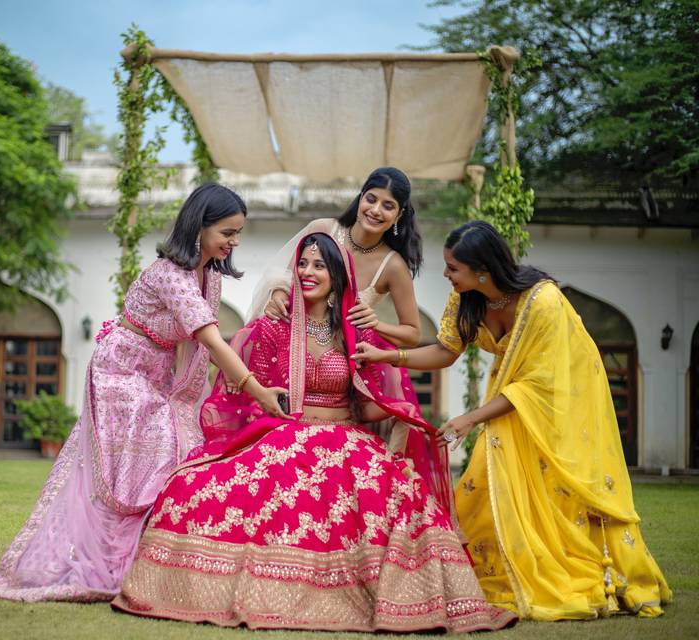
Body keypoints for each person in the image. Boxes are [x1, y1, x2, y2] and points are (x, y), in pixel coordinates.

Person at [111, 233, 517, 633]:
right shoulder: (274, 328)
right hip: (286, 435)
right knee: (193, 486)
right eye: (302, 263)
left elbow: (370, 401)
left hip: (348, 439)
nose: (307, 271)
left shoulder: (358, 333)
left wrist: (402, 412)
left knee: (397, 498)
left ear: (338, 276)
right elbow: (250, 391)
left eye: (319, 265)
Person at [0, 183, 289, 603]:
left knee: (175, 453)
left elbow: (204, 342)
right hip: (121, 371)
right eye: (228, 232)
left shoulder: (208, 276)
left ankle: (145, 564)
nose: (235, 242)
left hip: (155, 372)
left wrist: (246, 378)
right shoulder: (171, 275)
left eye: (239, 233)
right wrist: (255, 389)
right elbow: (209, 340)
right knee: (145, 462)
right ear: (200, 226)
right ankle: (109, 566)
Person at [353, 220, 672, 620]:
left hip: (559, 403)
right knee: (490, 476)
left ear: (482, 269)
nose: (446, 274)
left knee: (552, 487)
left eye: (453, 267)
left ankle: (571, 567)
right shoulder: (467, 298)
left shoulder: (544, 302)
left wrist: (470, 419)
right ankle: (503, 567)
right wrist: (388, 354)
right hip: (509, 397)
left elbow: (539, 384)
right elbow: (445, 351)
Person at [251, 167, 423, 349]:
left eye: (388, 206)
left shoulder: (393, 266)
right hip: (291, 348)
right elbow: (288, 279)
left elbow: (413, 335)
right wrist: (278, 295)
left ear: (399, 214)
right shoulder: (323, 229)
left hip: (341, 363)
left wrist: (375, 324)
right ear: (361, 197)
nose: (375, 210)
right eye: (371, 199)